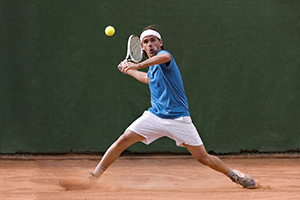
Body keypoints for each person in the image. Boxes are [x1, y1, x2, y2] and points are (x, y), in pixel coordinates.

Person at [88, 25, 257, 189]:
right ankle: (94, 176)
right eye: (146, 42)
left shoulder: (164, 56)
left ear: (160, 42)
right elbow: (148, 79)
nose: (150, 44)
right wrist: (128, 70)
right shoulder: (153, 68)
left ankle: (235, 176)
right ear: (141, 46)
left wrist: (136, 65)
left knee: (203, 158)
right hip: (154, 116)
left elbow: (165, 58)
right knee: (123, 140)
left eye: (153, 40)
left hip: (178, 119)